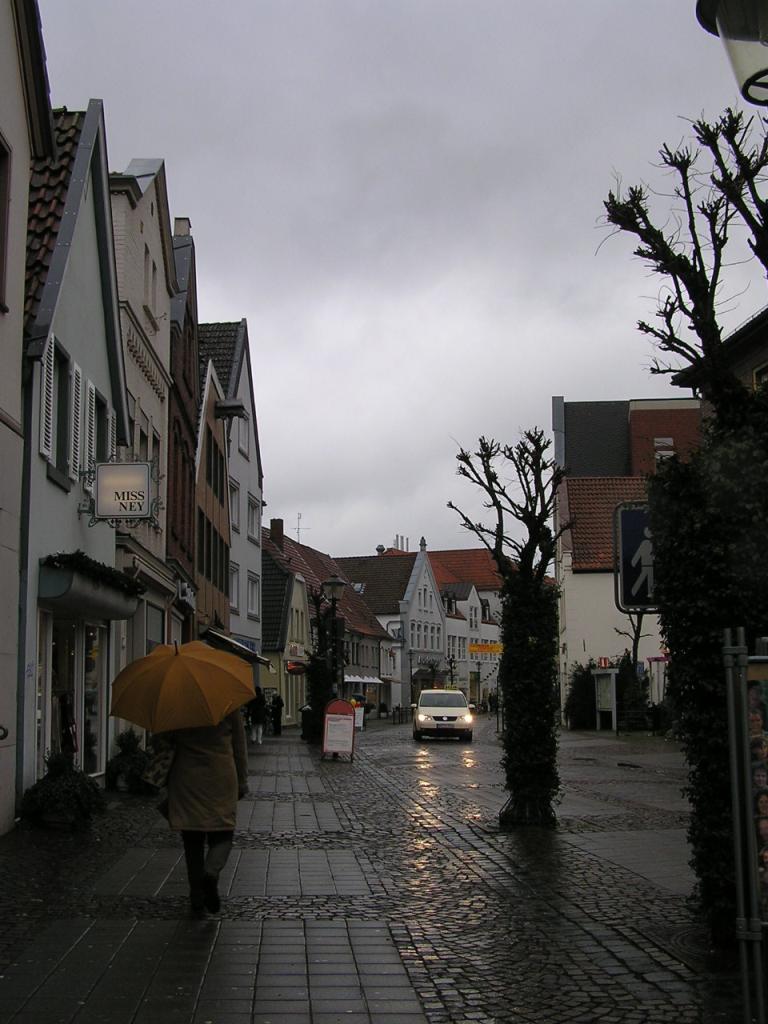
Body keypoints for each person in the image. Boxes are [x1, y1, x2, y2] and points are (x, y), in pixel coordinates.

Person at [164, 709, 248, 917]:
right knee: (223, 833)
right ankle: (211, 872)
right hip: (220, 775)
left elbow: (165, 742)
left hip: (187, 776)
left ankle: (196, 896)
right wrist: (242, 780)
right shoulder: (228, 704)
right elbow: (239, 745)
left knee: (192, 839)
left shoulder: (178, 704)